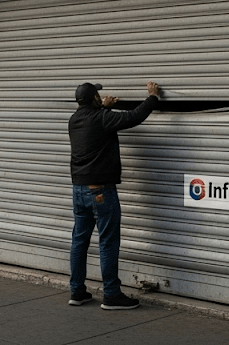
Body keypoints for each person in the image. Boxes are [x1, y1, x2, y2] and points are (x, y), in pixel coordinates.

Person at [67, 80, 161, 310]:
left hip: (79, 190)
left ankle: (77, 291)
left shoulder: (74, 120)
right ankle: (111, 294)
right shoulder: (101, 118)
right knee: (108, 241)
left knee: (79, 241)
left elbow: (96, 126)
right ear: (94, 99)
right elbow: (134, 117)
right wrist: (152, 97)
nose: (102, 97)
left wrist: (104, 108)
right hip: (101, 192)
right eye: (99, 95)